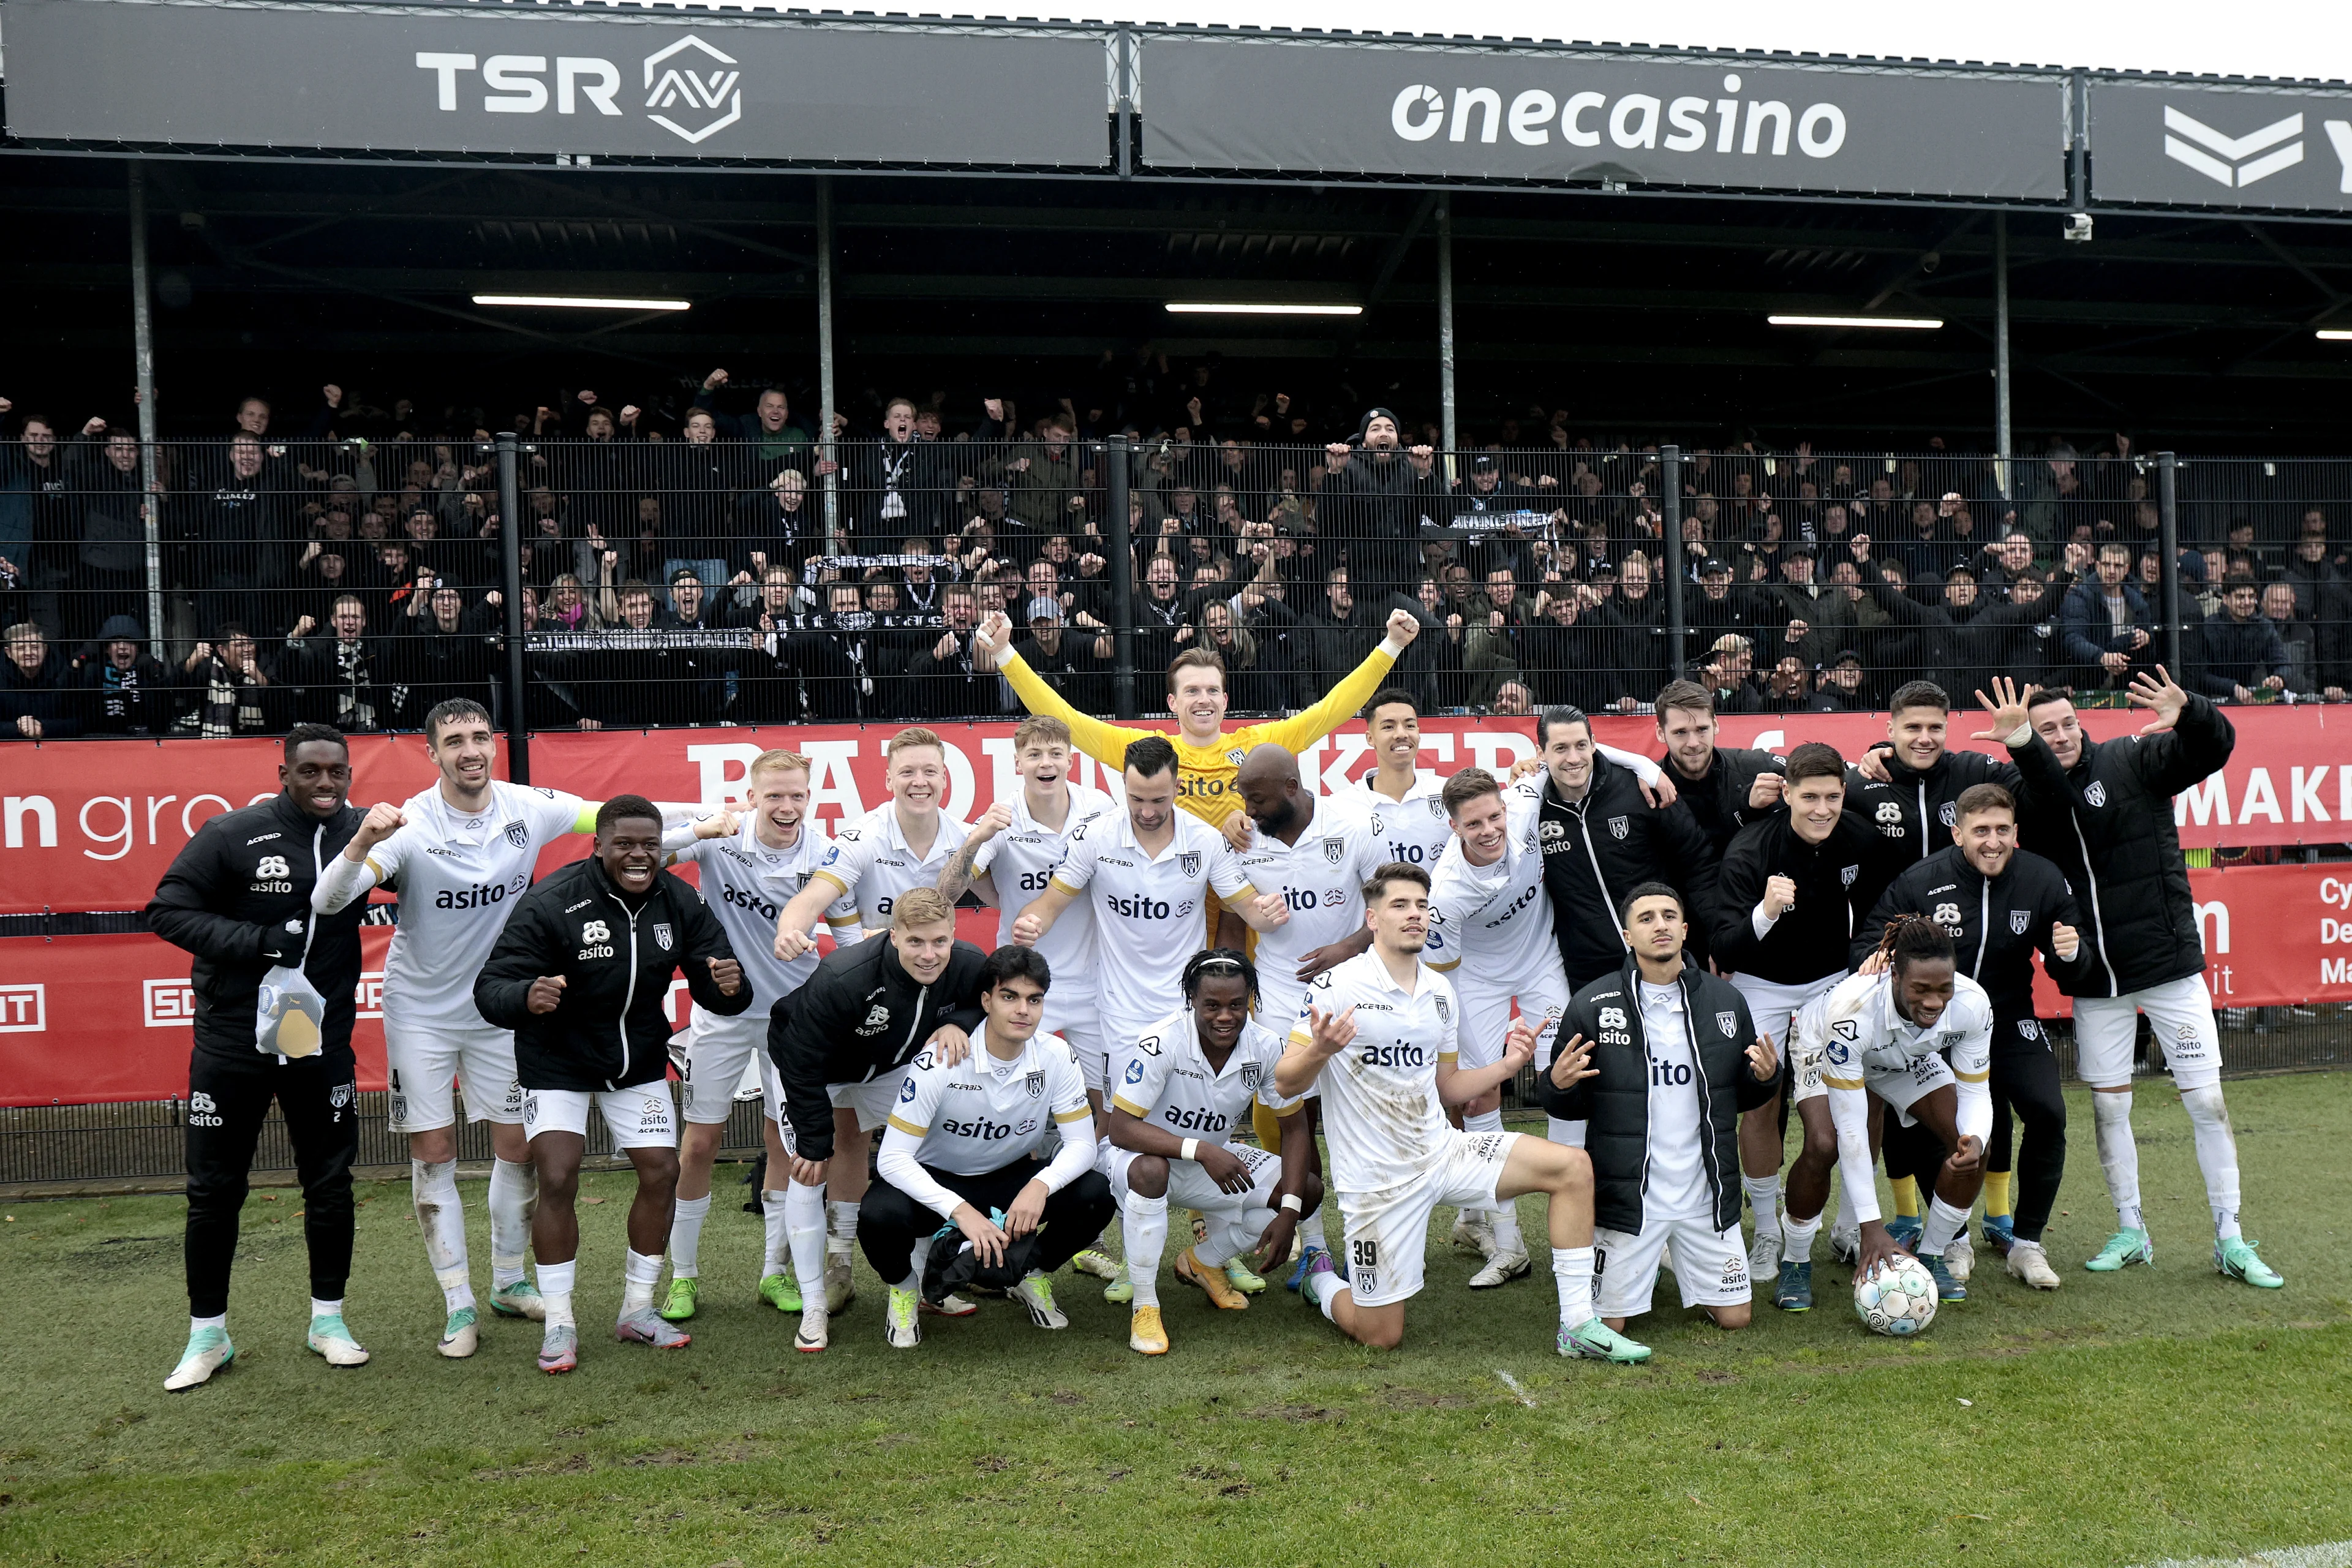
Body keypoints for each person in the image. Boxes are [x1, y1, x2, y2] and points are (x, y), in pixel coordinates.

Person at [312, 699, 644, 1355]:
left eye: (479, 737)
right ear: (432, 753)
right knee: (434, 1154)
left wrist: (724, 821)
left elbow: (622, 825)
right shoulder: (408, 825)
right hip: (423, 1016)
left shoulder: (529, 806)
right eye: (454, 741)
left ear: (494, 745)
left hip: (501, 1011)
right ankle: (459, 1304)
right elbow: (328, 900)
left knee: (518, 1147)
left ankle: (508, 1281)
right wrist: (360, 843)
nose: (470, 750)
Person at [1277, 864, 1651, 1363]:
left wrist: (1509, 1064)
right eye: (1400, 906)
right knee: (1380, 1334)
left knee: (1573, 1167)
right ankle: (1321, 1281)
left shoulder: (1438, 991)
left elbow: (1449, 1088)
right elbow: (1285, 1081)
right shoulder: (1337, 985)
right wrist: (1320, 1051)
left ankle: (1578, 1324)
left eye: (1421, 906)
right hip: (1377, 1180)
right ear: (1372, 919)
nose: (1415, 915)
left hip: (1445, 1152)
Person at [1981, 671, 2282, 1288]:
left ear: (2081, 722)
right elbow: (2047, 795)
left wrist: (2194, 711)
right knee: (2109, 1107)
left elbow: (2213, 749)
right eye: (2047, 729)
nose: (2060, 735)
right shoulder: (2026, 788)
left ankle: (2230, 1237)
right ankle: (2131, 1230)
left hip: (2168, 969)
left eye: (2067, 723)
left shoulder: (2131, 758)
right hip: (2097, 983)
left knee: (2205, 1100)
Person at [473, 796, 751, 1373]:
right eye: (624, 844)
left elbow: (717, 979)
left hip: (637, 1062)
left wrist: (728, 985)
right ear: (598, 845)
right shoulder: (552, 900)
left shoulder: (678, 899)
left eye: (649, 844)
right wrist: (525, 997)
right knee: (556, 1172)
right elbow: (492, 985)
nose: (638, 855)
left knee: (663, 1171)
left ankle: (637, 1310)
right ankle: (559, 1323)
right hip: (557, 1060)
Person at [145, 723, 374, 1391]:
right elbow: (167, 910)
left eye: (337, 772)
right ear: (285, 774)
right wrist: (259, 940)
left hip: (316, 1040)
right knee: (214, 1192)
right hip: (232, 1041)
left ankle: (327, 1322)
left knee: (329, 1183)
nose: (326, 783)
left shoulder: (365, 836)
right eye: (311, 772)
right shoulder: (232, 834)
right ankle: (207, 1335)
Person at [654, 751, 862, 1338]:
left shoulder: (827, 854)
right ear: (752, 796)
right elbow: (645, 853)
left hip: (796, 1021)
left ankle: (774, 1273)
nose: (786, 807)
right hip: (722, 1016)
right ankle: (685, 1275)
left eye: (797, 795)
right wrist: (700, 828)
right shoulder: (723, 836)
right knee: (698, 1144)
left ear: (810, 797)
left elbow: (847, 942)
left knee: (784, 1144)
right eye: (774, 796)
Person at [973, 605, 1419, 872]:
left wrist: (1392, 647)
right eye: (1191, 691)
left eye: (1210, 691)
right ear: (1172, 702)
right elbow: (1064, 718)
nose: (1202, 700)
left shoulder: (1260, 746)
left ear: (1225, 700)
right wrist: (1007, 655)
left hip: (1248, 896)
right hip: (1176, 905)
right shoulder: (1149, 753)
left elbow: (1332, 710)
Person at [1857, 782, 2085, 1291]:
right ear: (1958, 832)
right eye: (1980, 830)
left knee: (2048, 1112)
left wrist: (2072, 955)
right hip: (1934, 1025)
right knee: (1930, 1124)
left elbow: (2076, 970)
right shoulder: (1922, 880)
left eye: (2003, 830)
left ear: (2016, 832)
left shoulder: (2043, 878)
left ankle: (2027, 1244)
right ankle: (1953, 1238)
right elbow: (1869, 942)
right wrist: (1871, 960)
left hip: (2007, 1019)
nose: (1993, 841)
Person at [935, 715, 1125, 1291]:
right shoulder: (1002, 816)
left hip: (1093, 986)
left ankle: (1080, 1237)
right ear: (1017, 763)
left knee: (1098, 1115)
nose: (1046, 763)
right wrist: (973, 839)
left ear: (1071, 759)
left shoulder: (1101, 808)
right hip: (1020, 985)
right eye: (1034, 754)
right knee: (1003, 1108)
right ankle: (983, 1229)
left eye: (1056, 753)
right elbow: (944, 897)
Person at [1542, 884, 1779, 1333]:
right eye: (1646, 918)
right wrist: (1557, 1083)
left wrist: (1766, 1076)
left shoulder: (1726, 1002)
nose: (1660, 925)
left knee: (1736, 1319)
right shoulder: (1593, 1004)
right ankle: (1654, 1251)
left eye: (1669, 916)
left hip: (1704, 1197)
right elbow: (1564, 1105)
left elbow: (1744, 1096)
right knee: (1608, 1326)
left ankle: (1678, 1253)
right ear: (1628, 936)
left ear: (1685, 930)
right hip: (1632, 1202)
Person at [766, 889, 992, 1349]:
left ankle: (928, 1282)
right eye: (916, 943)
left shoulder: (969, 962)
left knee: (933, 1151)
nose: (929, 955)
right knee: (809, 1171)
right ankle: (813, 1306)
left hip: (887, 1068)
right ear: (894, 937)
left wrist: (960, 1022)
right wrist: (813, 1140)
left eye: (939, 942)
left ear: (954, 937)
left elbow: (987, 1002)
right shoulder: (844, 975)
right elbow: (801, 1059)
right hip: (810, 1067)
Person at [1709, 742, 1896, 1287]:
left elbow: (1887, 909)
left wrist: (1876, 951)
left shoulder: (1862, 837)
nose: (1821, 809)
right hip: (1760, 986)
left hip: (1832, 985)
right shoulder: (1751, 849)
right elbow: (1726, 947)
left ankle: (1848, 1225)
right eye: (1808, 796)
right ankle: (1766, 1229)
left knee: (1863, 1098)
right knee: (1761, 1100)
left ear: (1845, 793)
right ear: (1786, 793)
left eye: (1832, 796)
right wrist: (1766, 912)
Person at [862, 947, 1115, 1349]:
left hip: (1009, 1178)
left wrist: (1041, 1186)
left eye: (1034, 1000)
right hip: (938, 1180)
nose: (1023, 1011)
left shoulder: (1056, 1056)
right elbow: (892, 1158)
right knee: (878, 1215)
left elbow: (1083, 1145)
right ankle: (906, 1288)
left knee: (1097, 1194)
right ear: (986, 1001)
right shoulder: (940, 1060)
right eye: (1009, 997)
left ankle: (1030, 1275)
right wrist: (960, 1212)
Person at [1009, 736, 1291, 1086]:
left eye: (1159, 800)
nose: (1146, 812)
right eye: (1136, 799)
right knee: (1120, 1126)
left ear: (1177, 786)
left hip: (1186, 1009)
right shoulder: (1096, 837)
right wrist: (1032, 923)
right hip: (1120, 1011)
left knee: (1182, 1120)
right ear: (1123, 786)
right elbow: (1049, 904)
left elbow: (1250, 908)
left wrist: (1268, 912)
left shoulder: (1204, 840)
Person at [1223, 743, 1385, 1285]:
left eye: (1259, 798)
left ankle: (1374, 1239)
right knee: (1298, 1118)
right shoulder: (1243, 840)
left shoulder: (1352, 823)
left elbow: (1387, 905)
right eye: (1244, 798)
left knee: (1359, 1118)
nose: (1249, 810)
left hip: (1351, 990)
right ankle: (1315, 1247)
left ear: (1292, 788)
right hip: (1278, 996)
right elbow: (1230, 917)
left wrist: (1348, 947)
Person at [1105, 949, 1322, 1354]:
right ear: (1192, 1001)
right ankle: (1146, 1306)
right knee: (1153, 1172)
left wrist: (1290, 1214)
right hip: (1138, 1161)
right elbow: (1121, 1128)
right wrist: (1201, 1149)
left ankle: (1204, 1260)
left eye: (1237, 1005)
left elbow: (1295, 1130)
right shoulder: (1162, 1042)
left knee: (1305, 1190)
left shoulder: (1265, 1045)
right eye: (1213, 1006)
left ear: (1250, 1001)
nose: (1226, 1016)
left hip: (1206, 1163)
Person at [1776, 918, 1994, 1311]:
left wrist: (1975, 1136)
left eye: (1944, 989)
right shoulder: (1851, 1010)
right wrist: (1873, 1228)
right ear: (1895, 976)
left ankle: (1930, 1255)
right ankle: (1796, 1259)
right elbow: (1851, 1130)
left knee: (1973, 1143)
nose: (1933, 1002)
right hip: (1826, 1042)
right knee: (1825, 1144)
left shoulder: (1972, 1005)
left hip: (1901, 1057)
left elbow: (1977, 1091)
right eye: (1921, 989)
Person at [1425, 766, 1577, 1282]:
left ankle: (1577, 1227)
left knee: (1567, 1077)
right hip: (1477, 982)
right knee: (1479, 1100)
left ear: (1507, 808)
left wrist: (1648, 767)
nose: (1489, 830)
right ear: (1454, 827)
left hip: (1541, 965)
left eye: (1495, 817)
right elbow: (1441, 978)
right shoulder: (1445, 893)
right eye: (1474, 825)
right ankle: (1509, 1245)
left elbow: (1567, 753)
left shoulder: (1527, 803)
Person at [1522, 706, 1724, 992]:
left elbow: (1699, 862)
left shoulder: (1640, 788)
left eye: (1581, 745)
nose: (1573, 758)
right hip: (1590, 970)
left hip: (1666, 956)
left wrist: (1715, 938)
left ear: (1594, 743)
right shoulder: (1532, 808)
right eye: (1560, 748)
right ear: (1541, 754)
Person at [771, 726, 970, 944]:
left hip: (935, 963)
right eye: (907, 772)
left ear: (944, 778)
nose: (920, 781)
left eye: (930, 772)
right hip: (870, 966)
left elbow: (1002, 896)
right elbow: (810, 900)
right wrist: (788, 933)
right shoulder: (863, 838)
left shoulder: (966, 838)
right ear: (889, 780)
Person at [1652, 679, 1787, 859]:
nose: (1693, 743)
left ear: (1715, 725)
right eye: (1681, 732)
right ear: (1661, 733)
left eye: (1702, 729)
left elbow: (1820, 769)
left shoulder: (1752, 766)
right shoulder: (1647, 786)